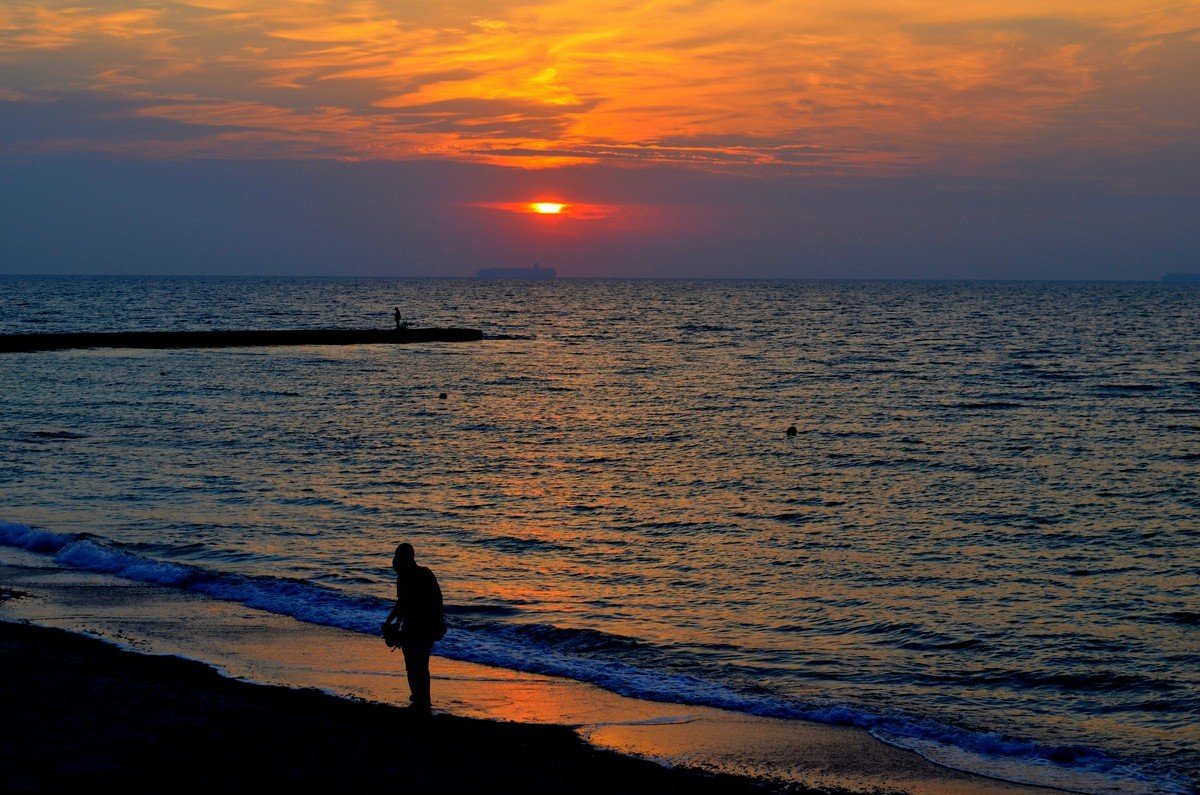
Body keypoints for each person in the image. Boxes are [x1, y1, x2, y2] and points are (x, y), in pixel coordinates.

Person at [382, 543, 445, 710]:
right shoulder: (425, 573)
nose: (395, 561)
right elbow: (437, 602)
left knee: (413, 664)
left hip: (419, 626)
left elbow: (403, 604)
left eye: (397, 556)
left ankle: (420, 699)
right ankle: (422, 698)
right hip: (427, 626)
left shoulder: (405, 576)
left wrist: (391, 622)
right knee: (421, 665)